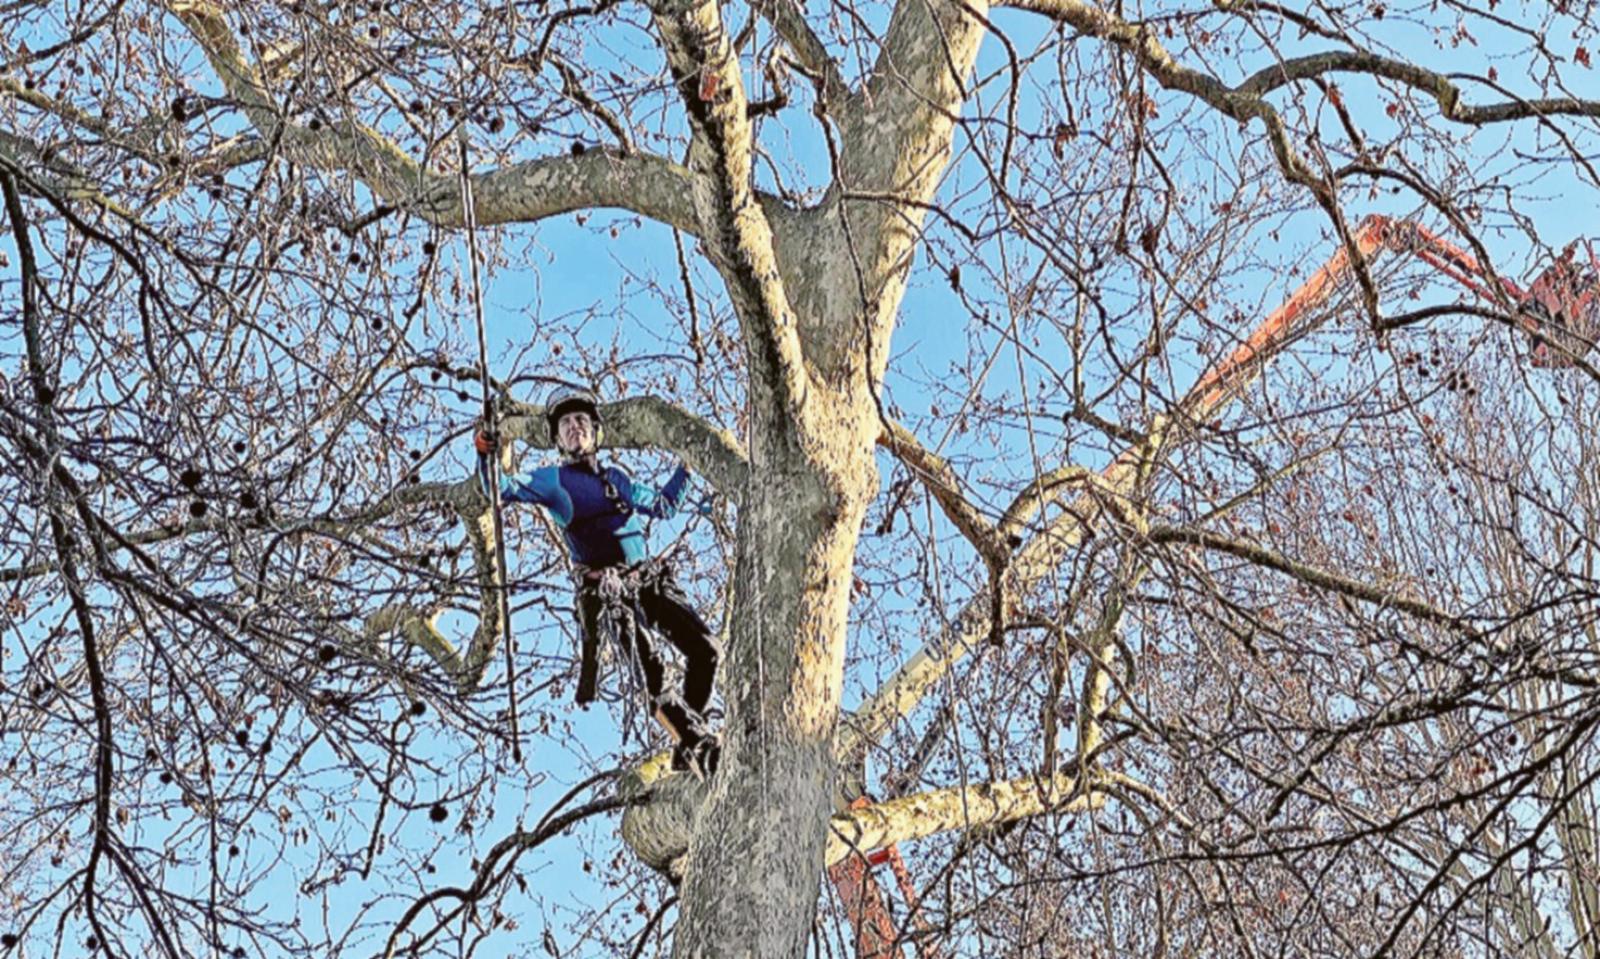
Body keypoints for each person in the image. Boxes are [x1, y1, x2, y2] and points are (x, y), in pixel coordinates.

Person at [475, 385, 721, 777]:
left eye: (581, 421)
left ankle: (686, 747)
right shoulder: (554, 481)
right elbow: (500, 490)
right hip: (609, 593)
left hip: (650, 582)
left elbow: (662, 506)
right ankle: (699, 745)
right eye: (566, 424)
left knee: (707, 651)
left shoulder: (615, 479)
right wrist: (486, 451)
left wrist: (686, 467)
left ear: (594, 432)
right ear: (557, 438)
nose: (575, 428)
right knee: (651, 674)